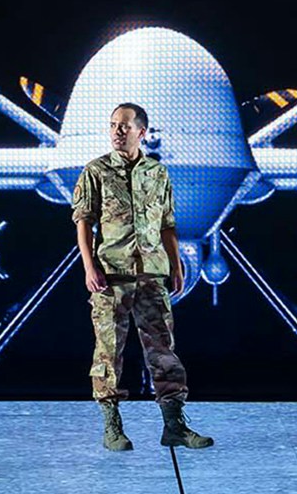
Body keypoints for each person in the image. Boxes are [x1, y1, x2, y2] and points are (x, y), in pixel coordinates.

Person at [71, 103, 212, 452]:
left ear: (141, 132)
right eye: (113, 125)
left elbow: (167, 224)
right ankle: (112, 427)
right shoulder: (96, 171)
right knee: (109, 353)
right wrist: (89, 267)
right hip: (111, 277)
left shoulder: (157, 173)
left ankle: (174, 426)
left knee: (164, 351)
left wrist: (176, 265)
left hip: (151, 274)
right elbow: (83, 222)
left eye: (124, 126)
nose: (117, 131)